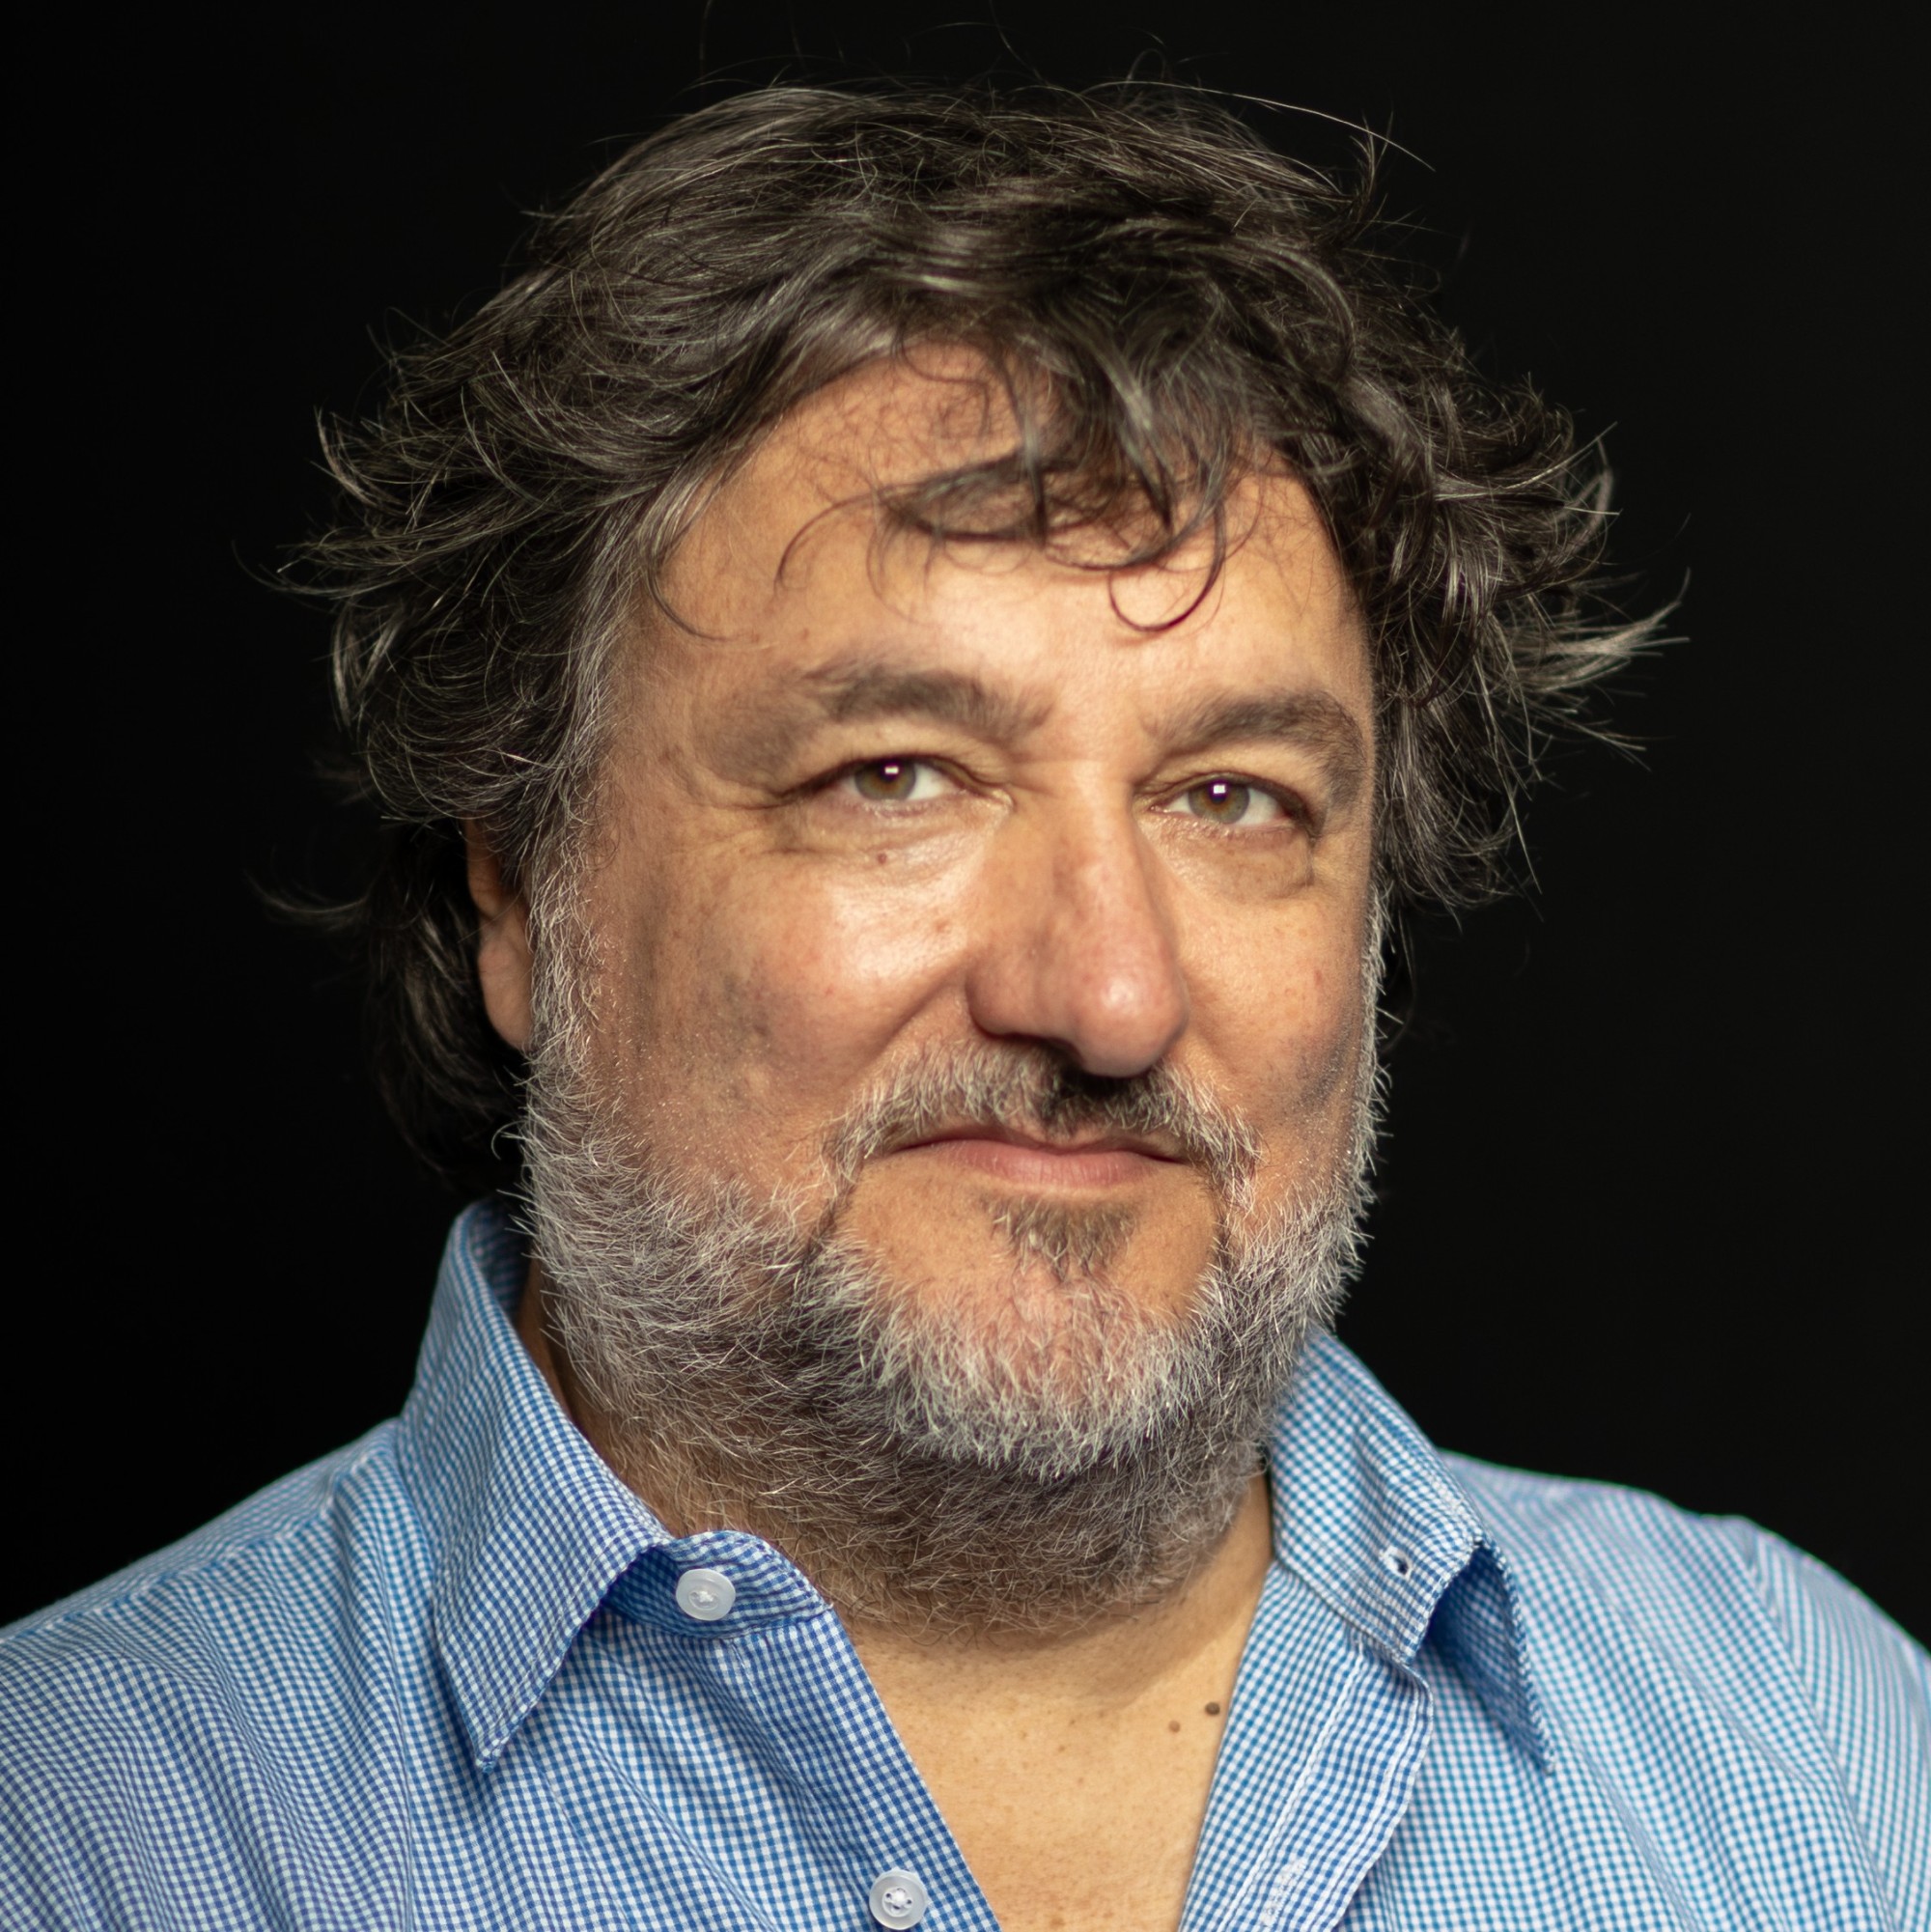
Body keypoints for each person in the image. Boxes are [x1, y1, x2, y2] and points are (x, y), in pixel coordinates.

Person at [2, 81, 1922, 1932]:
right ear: (519, 884)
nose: (1106, 993)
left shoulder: (1821, 1736)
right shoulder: (74, 1835)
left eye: (1231, 797)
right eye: (897, 775)